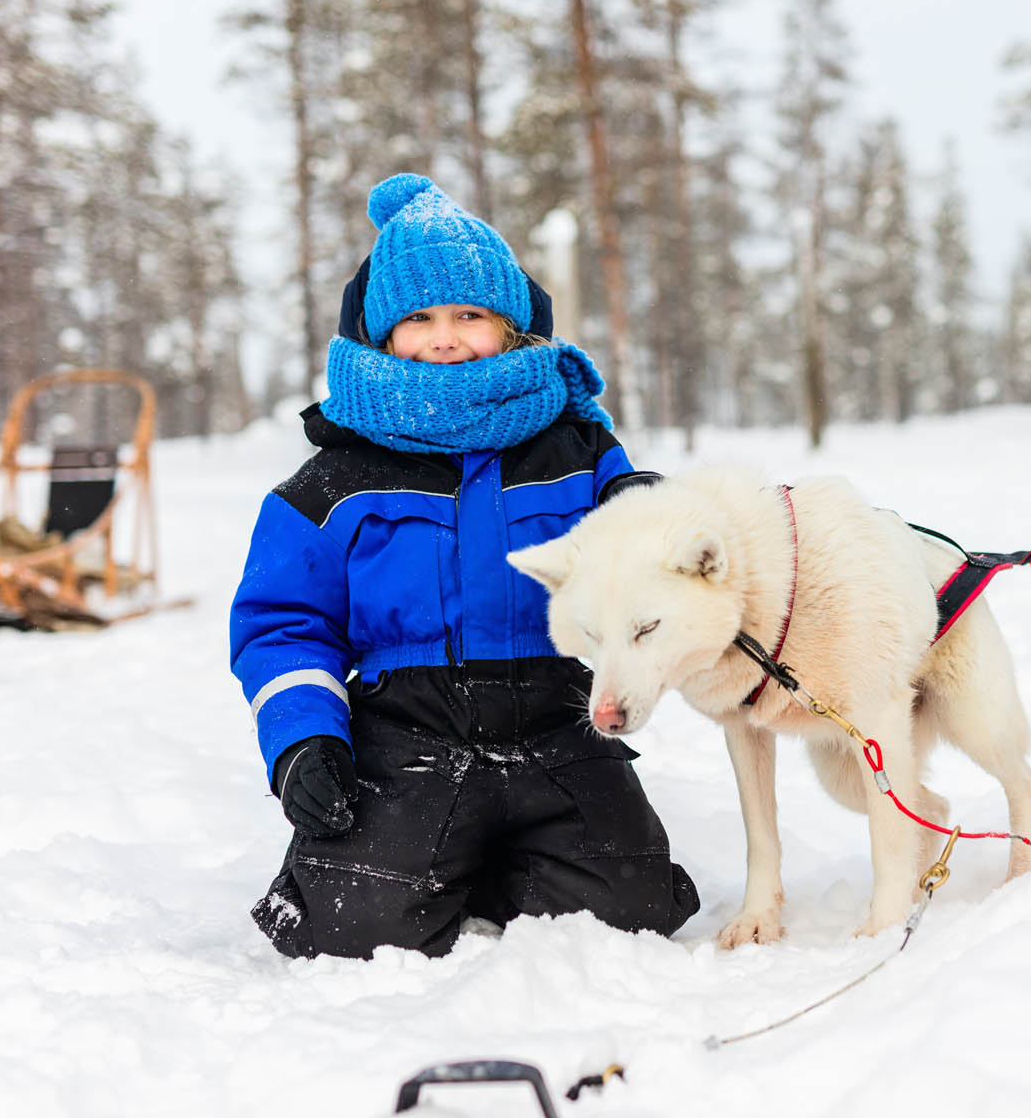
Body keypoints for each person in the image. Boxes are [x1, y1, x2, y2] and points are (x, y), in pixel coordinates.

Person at [232, 172, 698, 959]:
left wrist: (651, 514)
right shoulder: (331, 482)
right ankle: (431, 858)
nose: (445, 336)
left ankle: (496, 859)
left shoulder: (575, 446)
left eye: (470, 315)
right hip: (404, 734)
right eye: (418, 318)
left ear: (510, 326)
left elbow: (637, 540)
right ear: (381, 336)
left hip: (554, 718)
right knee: (351, 929)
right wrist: (303, 739)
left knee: (633, 913)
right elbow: (283, 626)